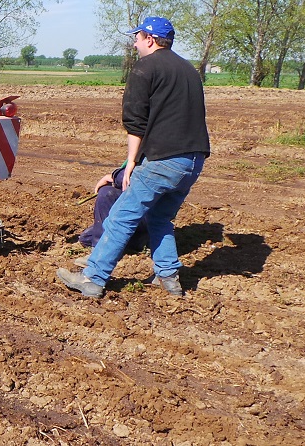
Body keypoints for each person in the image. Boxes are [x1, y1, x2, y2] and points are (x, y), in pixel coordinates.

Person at [57, 16, 210, 298]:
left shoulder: (145, 67)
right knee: (160, 219)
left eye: (137, 38)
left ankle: (93, 277)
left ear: (150, 39)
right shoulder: (189, 69)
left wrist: (129, 165)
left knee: (120, 217)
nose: (135, 43)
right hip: (194, 160)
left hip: (164, 159)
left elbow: (136, 123)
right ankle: (168, 277)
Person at [75, 164, 148, 262]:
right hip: (135, 210)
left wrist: (112, 177)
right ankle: (135, 240)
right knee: (86, 238)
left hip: (147, 213)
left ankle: (99, 256)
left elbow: (139, 180)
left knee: (106, 192)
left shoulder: (153, 153)